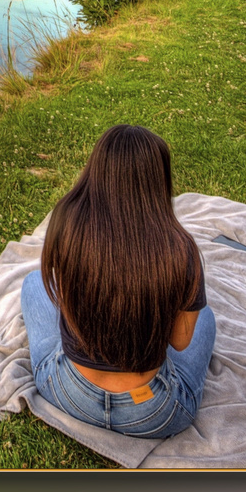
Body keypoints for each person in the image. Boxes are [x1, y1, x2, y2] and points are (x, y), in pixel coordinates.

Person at [21, 124, 215, 437]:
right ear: (158, 180)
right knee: (204, 314)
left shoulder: (67, 220)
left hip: (67, 393)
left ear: (95, 170)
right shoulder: (180, 248)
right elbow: (179, 342)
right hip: (154, 413)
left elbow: (63, 297)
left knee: (33, 283)